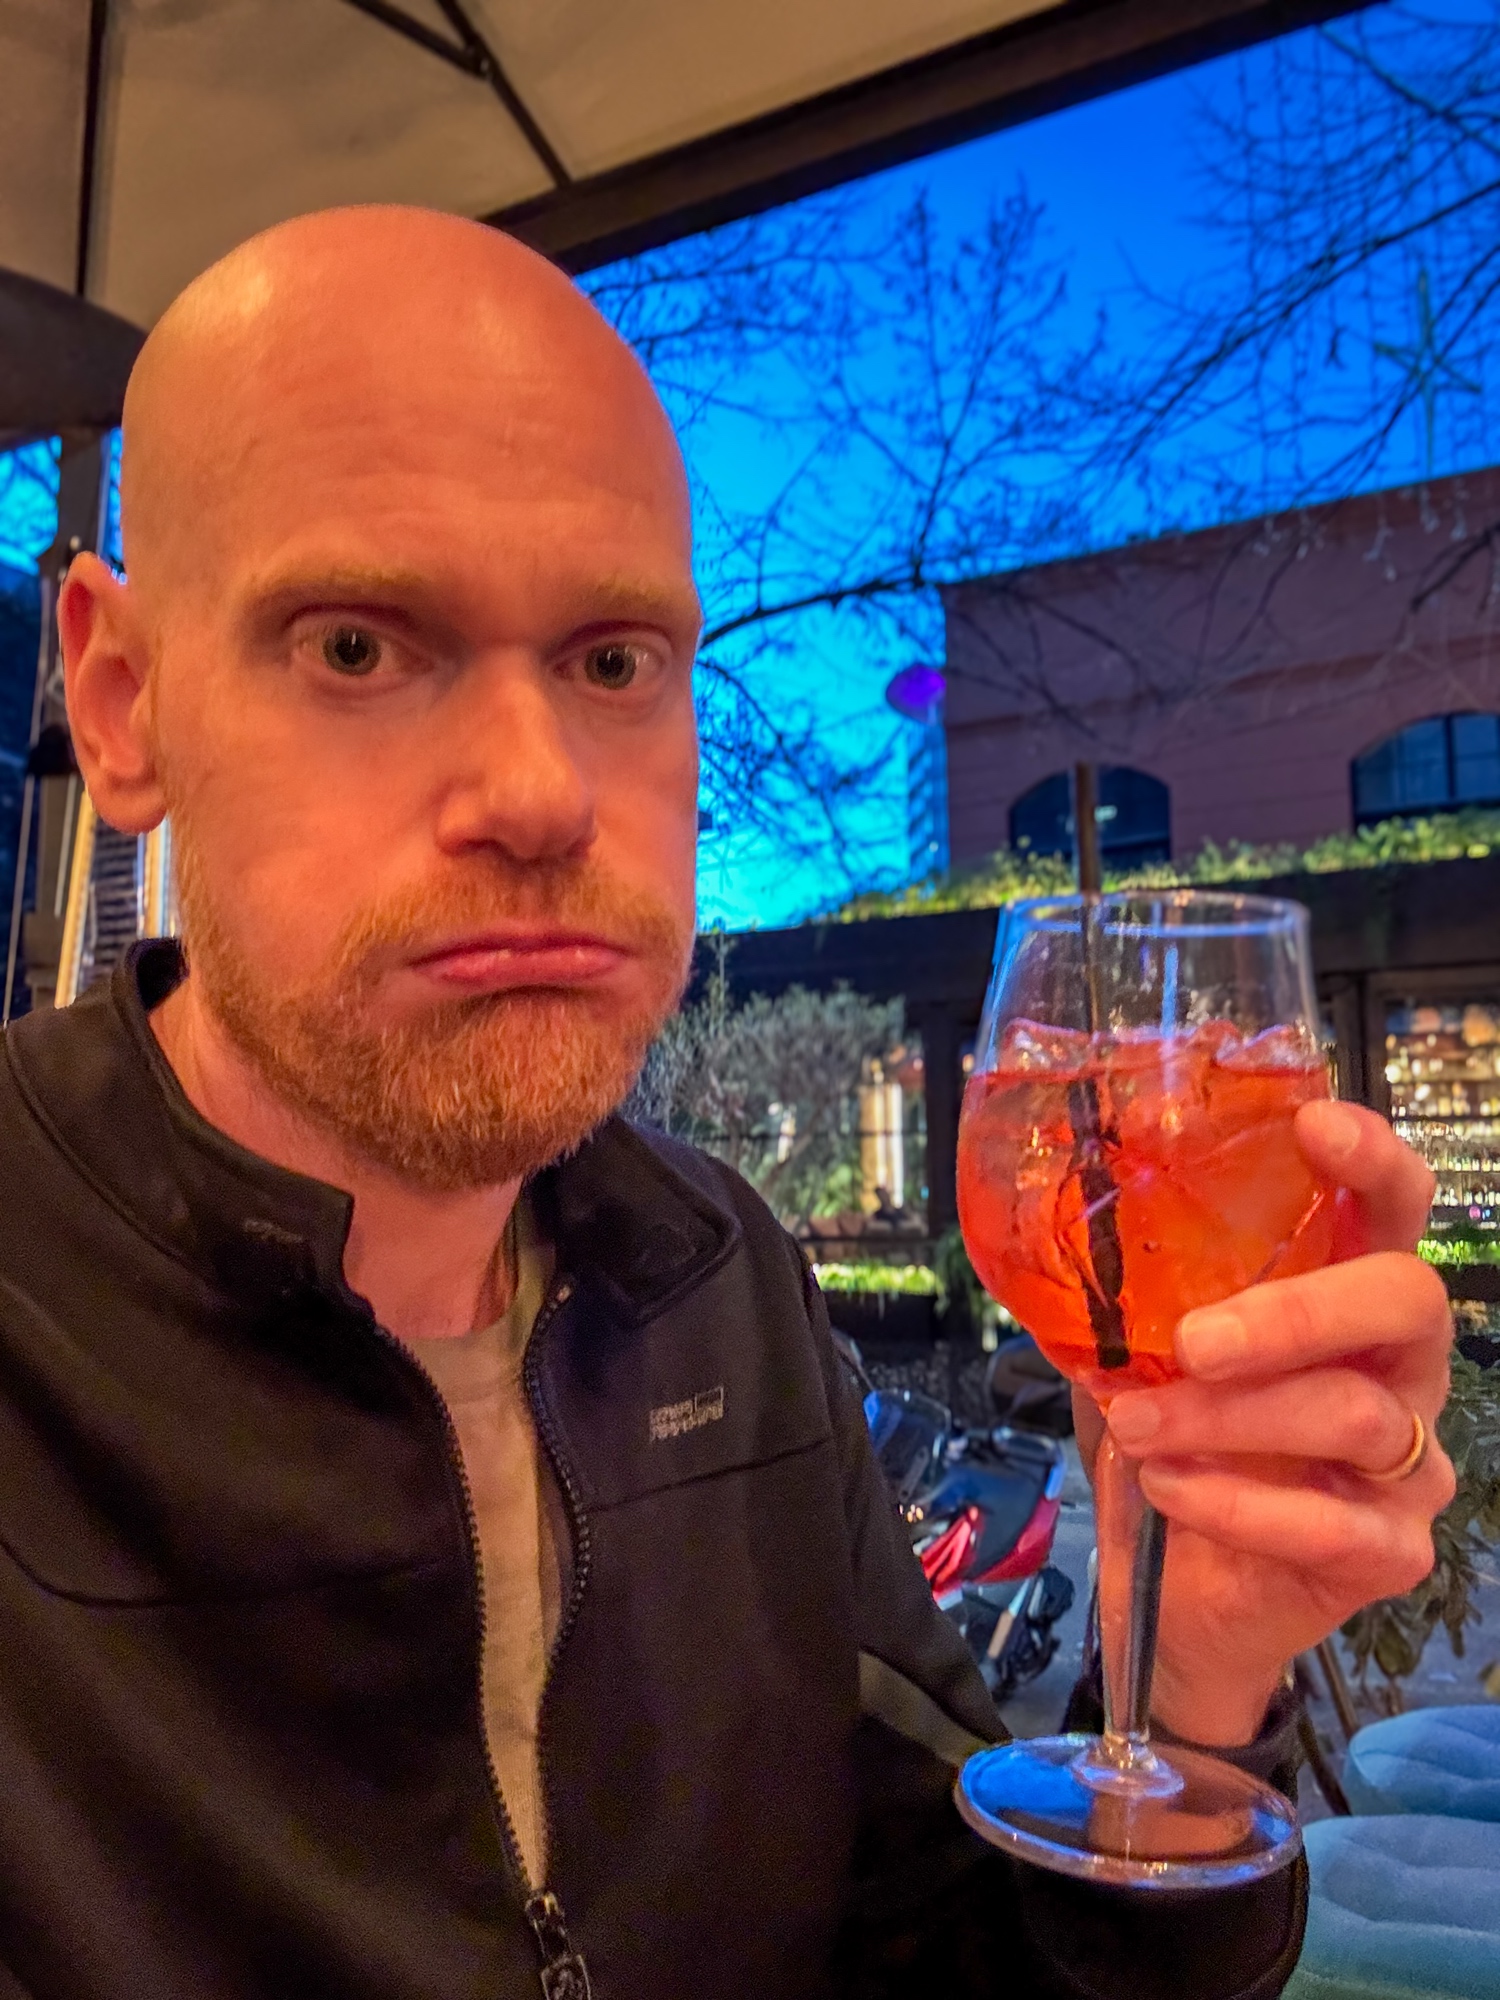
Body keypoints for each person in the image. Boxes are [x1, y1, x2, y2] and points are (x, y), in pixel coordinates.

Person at [3, 205, 1446, 2000]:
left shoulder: (716, 1278)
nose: (541, 794)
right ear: (122, 699)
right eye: (358, 646)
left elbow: (940, 1956)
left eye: (614, 661)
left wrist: (1196, 1685)